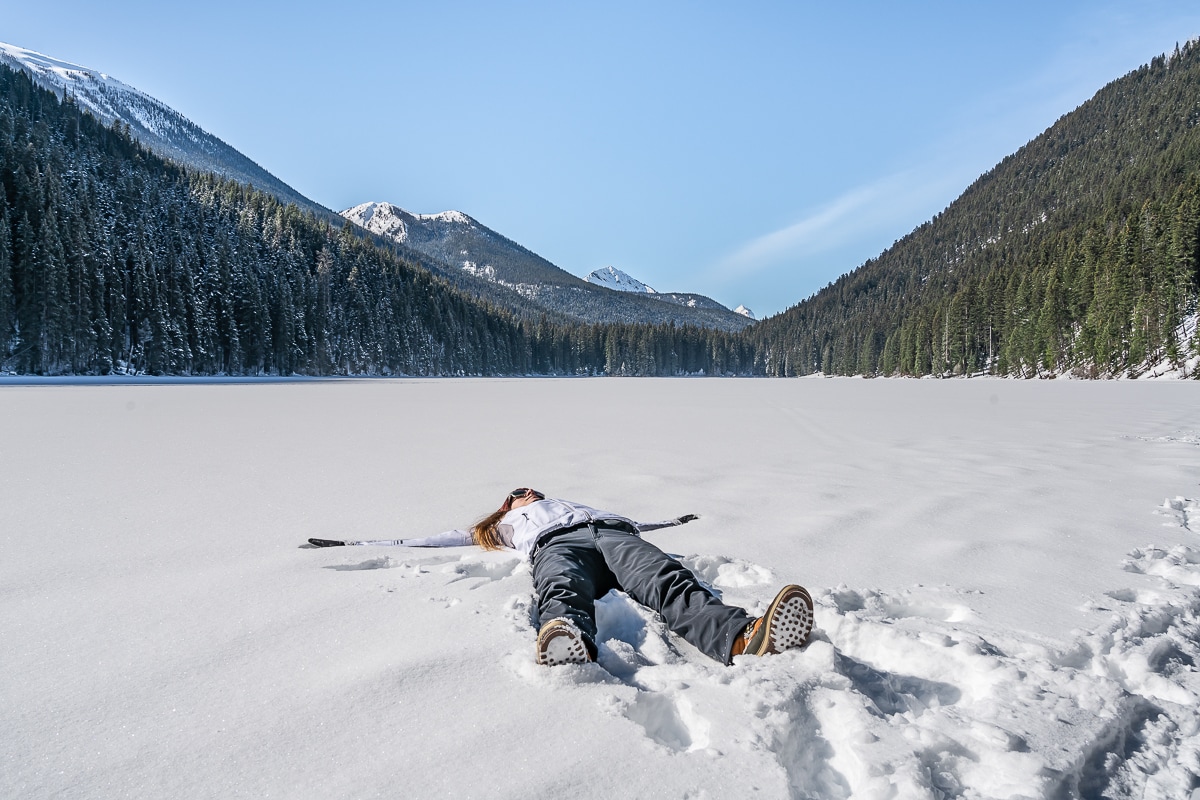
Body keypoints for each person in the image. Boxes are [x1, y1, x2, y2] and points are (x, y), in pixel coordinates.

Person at [311, 488, 814, 666]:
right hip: (558, 548)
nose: (526, 492)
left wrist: (672, 522)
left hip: (611, 534)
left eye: (530, 487)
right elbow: (440, 538)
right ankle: (569, 640)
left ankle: (743, 638)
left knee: (664, 576)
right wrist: (360, 543)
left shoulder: (573, 502)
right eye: (516, 492)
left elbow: (641, 522)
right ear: (506, 505)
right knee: (561, 590)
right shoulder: (503, 526)